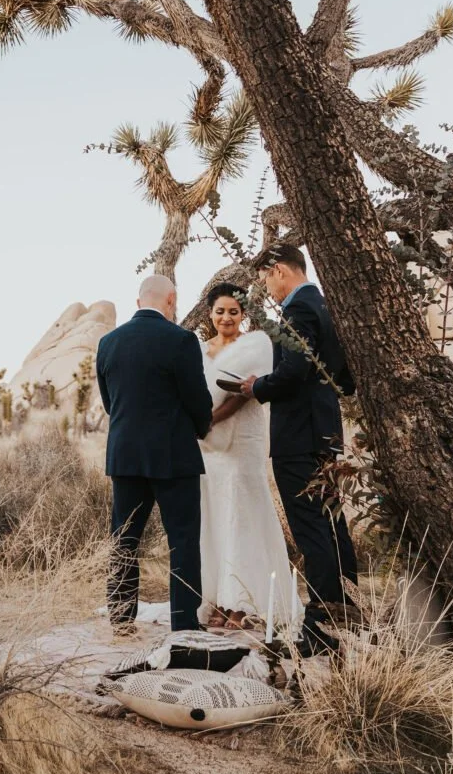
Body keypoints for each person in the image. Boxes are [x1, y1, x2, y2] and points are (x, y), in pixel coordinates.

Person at [240, 243, 358, 655]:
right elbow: (346, 380)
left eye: (266, 280)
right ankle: (346, 613)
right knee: (332, 524)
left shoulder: (298, 310)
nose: (268, 290)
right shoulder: (326, 306)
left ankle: (320, 629)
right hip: (324, 432)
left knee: (311, 529)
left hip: (298, 435)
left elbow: (292, 371)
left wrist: (257, 387)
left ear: (279, 270)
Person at [96, 274, 213, 635]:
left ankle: (120, 617)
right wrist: (200, 428)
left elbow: (110, 403)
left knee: (124, 538)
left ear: (138, 302)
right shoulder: (181, 340)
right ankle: (184, 624)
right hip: (173, 455)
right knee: (182, 540)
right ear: (171, 299)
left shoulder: (108, 343)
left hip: (125, 454)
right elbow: (198, 399)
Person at [196, 283, 302, 632]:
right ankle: (217, 598)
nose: (226, 318)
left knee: (242, 515)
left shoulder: (256, 346)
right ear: (210, 314)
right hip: (209, 448)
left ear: (243, 314)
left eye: (234, 311)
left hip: (242, 440)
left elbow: (245, 393)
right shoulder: (201, 350)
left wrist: (210, 419)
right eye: (220, 311)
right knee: (216, 517)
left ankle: (243, 602)